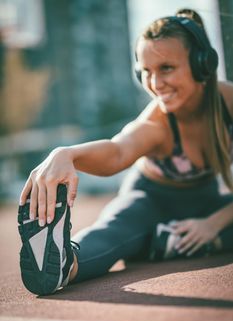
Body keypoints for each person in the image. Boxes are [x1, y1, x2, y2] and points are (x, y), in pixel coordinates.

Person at [18, 9, 233, 296]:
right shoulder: (157, 122)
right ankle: (63, 263)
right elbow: (117, 152)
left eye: (166, 68)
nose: (155, 84)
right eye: (146, 72)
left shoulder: (228, 102)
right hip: (149, 199)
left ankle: (168, 242)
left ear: (201, 64)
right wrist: (67, 154)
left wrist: (213, 224)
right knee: (116, 228)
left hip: (208, 201)